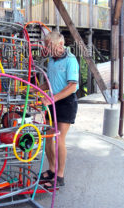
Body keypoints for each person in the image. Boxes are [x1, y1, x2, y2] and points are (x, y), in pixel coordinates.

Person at [33, 32, 79, 189]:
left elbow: (72, 86)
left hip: (66, 102)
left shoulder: (71, 60)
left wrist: (52, 98)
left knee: (59, 138)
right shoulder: (51, 60)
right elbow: (50, 83)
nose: (47, 49)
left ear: (60, 44)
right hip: (52, 102)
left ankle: (60, 176)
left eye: (49, 46)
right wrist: (35, 89)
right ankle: (52, 170)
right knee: (47, 137)